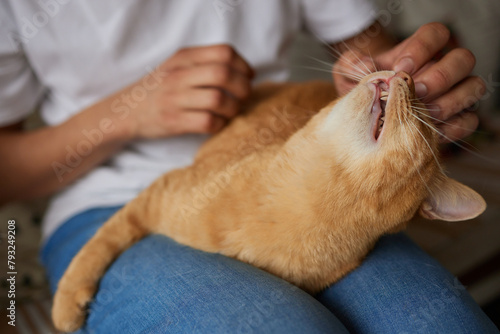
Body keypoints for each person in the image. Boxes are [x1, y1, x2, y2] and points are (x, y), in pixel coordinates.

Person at [0, 1, 497, 333]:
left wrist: (400, 78)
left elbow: (367, 50)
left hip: (305, 171)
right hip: (109, 198)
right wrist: (125, 114)